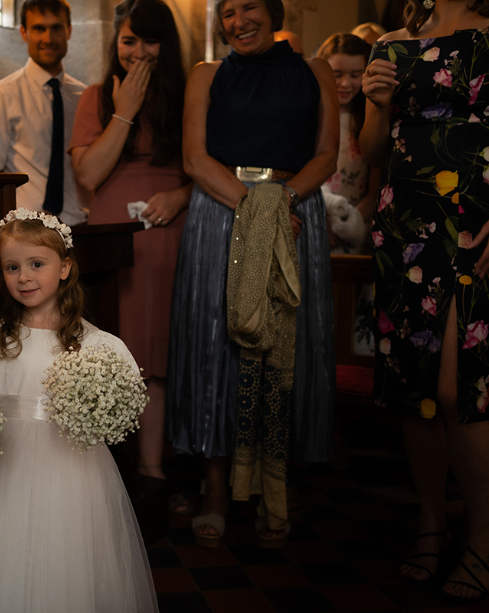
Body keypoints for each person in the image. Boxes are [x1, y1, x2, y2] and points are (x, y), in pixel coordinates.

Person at [166, 0, 338, 547]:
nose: (238, 21)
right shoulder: (205, 75)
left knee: (287, 345)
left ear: (274, 10)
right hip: (221, 211)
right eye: (227, 12)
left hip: (297, 208)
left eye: (250, 8)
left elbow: (327, 155)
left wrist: (283, 202)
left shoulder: (315, 71)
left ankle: (275, 487)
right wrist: (258, 208)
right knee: (219, 345)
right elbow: (194, 158)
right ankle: (215, 486)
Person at [0, 209, 158, 612]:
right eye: (12, 267)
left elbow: (119, 410)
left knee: (70, 553)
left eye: (36, 264)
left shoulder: (99, 345)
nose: (24, 276)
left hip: (74, 472)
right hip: (8, 470)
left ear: (64, 268)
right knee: (9, 549)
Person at [361, 0, 489, 603]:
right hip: (404, 216)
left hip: (475, 217)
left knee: (455, 388)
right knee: (415, 388)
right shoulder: (392, 42)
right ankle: (431, 526)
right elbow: (369, 150)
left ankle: (483, 541)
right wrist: (378, 104)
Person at [68, 0, 189, 495]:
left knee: (158, 348)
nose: (138, 52)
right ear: (115, 43)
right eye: (128, 41)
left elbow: (206, 164)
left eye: (150, 40)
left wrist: (181, 195)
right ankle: (104, 465)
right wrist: (125, 111)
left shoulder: (187, 94)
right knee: (107, 350)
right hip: (110, 233)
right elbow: (90, 173)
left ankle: (153, 465)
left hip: (170, 228)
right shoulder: (96, 96)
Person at [0, 0, 87, 226]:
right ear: (24, 32)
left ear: (69, 31)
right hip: (25, 225)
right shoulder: (1, 95)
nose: (48, 38)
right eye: (38, 29)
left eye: (56, 28)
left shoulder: (84, 97)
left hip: (79, 222)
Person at [316, 33, 380, 254]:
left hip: (355, 228)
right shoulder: (311, 116)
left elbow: (374, 190)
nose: (345, 83)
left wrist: (346, 223)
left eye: (355, 75)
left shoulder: (369, 121)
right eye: (337, 74)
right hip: (314, 221)